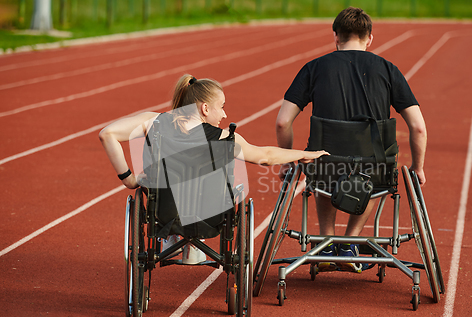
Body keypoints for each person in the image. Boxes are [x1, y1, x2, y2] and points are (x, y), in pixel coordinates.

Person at [99, 74, 328, 264]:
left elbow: (107, 133)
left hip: (164, 214)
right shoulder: (227, 138)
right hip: (211, 219)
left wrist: (129, 179)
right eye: (222, 107)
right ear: (205, 108)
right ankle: (190, 243)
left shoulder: (153, 122)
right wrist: (304, 154)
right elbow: (266, 156)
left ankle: (174, 237)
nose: (225, 115)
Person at [275, 7, 427, 273]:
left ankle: (327, 240)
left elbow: (282, 121)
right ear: (370, 38)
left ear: (336, 36)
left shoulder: (314, 68)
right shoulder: (388, 70)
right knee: (379, 170)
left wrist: (287, 160)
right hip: (373, 167)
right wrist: (418, 167)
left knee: (323, 162)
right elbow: (418, 128)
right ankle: (351, 242)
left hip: (324, 167)